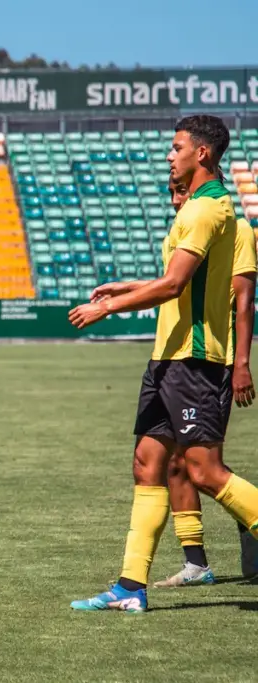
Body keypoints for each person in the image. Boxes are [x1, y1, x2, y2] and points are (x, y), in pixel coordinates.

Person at [68, 115, 258, 612]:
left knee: (205, 471)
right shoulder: (194, 208)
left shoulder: (209, 210)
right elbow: (176, 283)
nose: (169, 155)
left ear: (203, 154)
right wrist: (128, 288)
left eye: (176, 148)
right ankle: (130, 590)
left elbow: (177, 286)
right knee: (147, 464)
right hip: (166, 359)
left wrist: (106, 306)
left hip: (194, 361)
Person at [151, 179, 258, 587]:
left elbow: (244, 300)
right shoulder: (184, 229)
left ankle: (250, 520)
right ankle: (196, 563)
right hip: (176, 359)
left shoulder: (238, 229)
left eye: (182, 193)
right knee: (175, 463)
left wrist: (242, 363)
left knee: (203, 467)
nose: (178, 200)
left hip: (213, 360)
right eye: (173, 195)